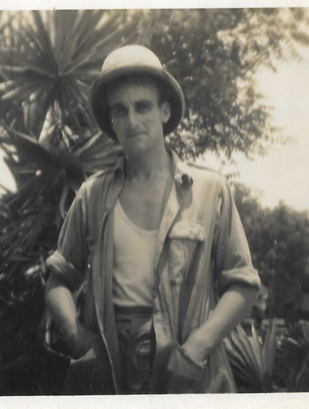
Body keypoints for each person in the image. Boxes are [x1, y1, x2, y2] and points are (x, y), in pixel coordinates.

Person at [45, 45, 260, 394]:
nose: (132, 120)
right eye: (120, 110)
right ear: (111, 121)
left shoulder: (208, 190)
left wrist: (196, 350)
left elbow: (243, 284)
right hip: (108, 364)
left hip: (187, 364)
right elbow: (58, 281)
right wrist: (80, 342)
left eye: (142, 106)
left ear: (164, 111)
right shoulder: (92, 195)